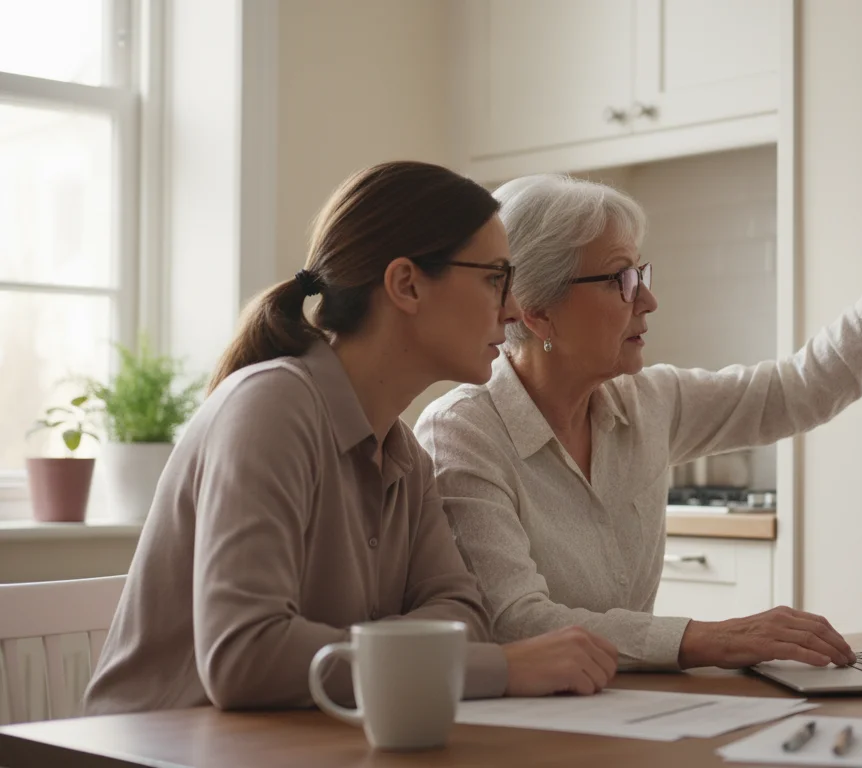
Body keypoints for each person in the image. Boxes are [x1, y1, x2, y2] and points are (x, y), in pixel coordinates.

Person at [414, 172, 862, 671]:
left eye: (641, 276)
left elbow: (802, 388)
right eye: (621, 280)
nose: (647, 300)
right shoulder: (463, 434)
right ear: (538, 313)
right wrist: (703, 638)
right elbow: (516, 620)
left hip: (628, 711)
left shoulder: (650, 400)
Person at [85, 161, 619, 716]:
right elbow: (246, 657)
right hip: (157, 748)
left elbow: (464, 614)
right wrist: (501, 669)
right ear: (406, 284)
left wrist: (345, 648)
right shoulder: (270, 408)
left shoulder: (404, 453)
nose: (510, 308)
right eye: (494, 278)